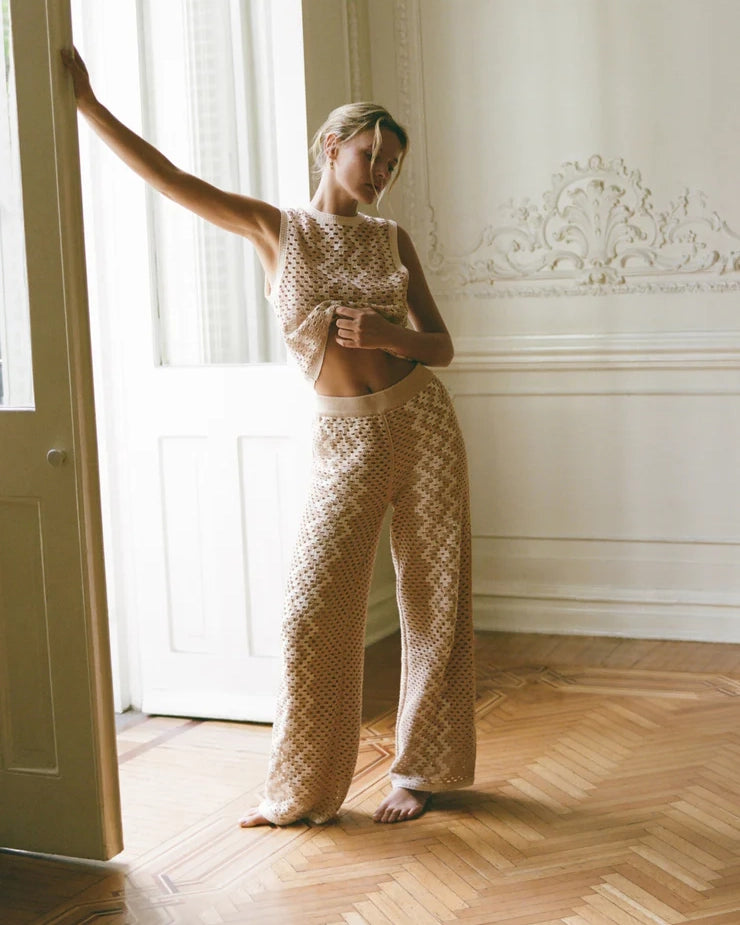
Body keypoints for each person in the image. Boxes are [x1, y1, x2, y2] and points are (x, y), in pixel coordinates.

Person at [62, 47, 476, 826]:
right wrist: (88, 106)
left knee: (436, 597)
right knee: (312, 610)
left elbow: (443, 344)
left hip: (422, 423)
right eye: (369, 156)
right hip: (347, 439)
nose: (380, 173)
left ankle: (420, 769)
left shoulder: (391, 239)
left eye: (391, 165)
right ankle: (305, 791)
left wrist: (393, 334)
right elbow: (174, 181)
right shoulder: (276, 228)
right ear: (331, 147)